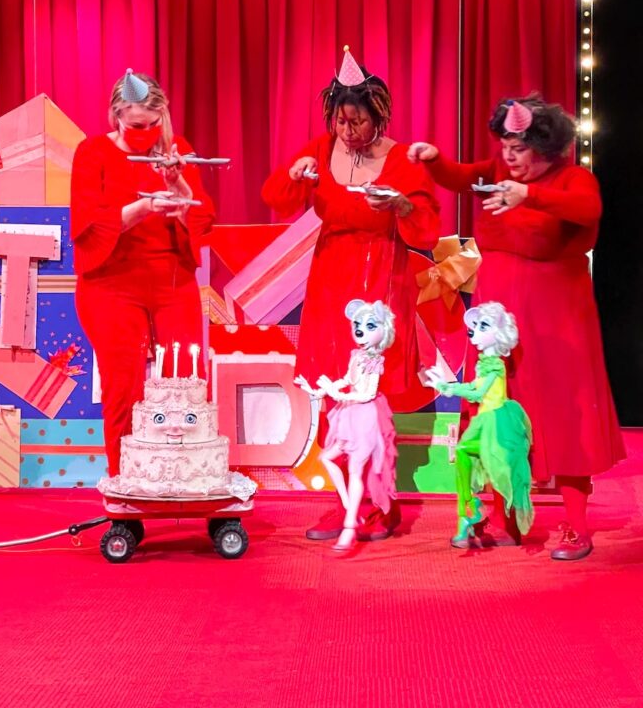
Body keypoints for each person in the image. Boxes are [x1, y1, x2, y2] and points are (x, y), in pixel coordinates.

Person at [409, 95, 625, 560]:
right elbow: (460, 176)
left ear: (545, 148)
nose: (508, 156)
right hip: (499, 312)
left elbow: (587, 209)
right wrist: (435, 159)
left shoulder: (572, 178)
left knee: (563, 417)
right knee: (497, 410)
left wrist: (529, 195)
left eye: (519, 148)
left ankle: (576, 525)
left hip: (555, 318)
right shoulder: (497, 171)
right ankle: (506, 519)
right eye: (505, 146)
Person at [262, 48, 440, 540]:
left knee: (370, 390)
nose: (347, 130)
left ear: (378, 117)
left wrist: (402, 204)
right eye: (341, 121)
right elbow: (275, 197)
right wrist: (294, 175)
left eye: (357, 121)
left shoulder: (401, 159)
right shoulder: (321, 149)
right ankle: (344, 504)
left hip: (381, 274)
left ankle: (382, 503)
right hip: (330, 277)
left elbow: (427, 228)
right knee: (332, 387)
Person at [70, 71, 215, 478]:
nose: (146, 132)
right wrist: (143, 208)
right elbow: (87, 223)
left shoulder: (176, 150)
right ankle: (125, 480)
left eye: (153, 124)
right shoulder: (93, 152)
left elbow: (200, 219)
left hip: (171, 280)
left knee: (185, 382)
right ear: (117, 116)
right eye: (136, 125)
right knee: (123, 387)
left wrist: (178, 185)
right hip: (111, 283)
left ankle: (186, 478)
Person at [427, 301, 534, 550]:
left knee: (478, 459)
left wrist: (447, 387)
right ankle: (467, 510)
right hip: (484, 423)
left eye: (483, 326)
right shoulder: (484, 363)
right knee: (462, 453)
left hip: (498, 425)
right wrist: (447, 386)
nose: (474, 332)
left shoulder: (496, 365)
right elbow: (473, 387)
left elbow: (477, 393)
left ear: (499, 333)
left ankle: (478, 514)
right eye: (474, 327)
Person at [295, 299, 399, 553]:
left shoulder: (375, 361)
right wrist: (320, 390)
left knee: (354, 470)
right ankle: (346, 505)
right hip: (349, 414)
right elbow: (346, 379)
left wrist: (337, 394)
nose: (360, 330)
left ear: (383, 330)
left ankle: (349, 527)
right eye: (357, 325)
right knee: (326, 457)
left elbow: (367, 393)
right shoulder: (357, 356)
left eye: (369, 326)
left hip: (365, 417)